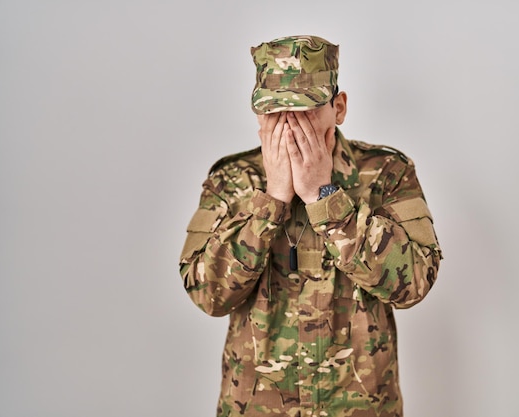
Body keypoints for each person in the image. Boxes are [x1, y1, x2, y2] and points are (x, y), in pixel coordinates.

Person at [179, 35, 442, 417]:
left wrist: (326, 198)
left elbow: (415, 283)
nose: (289, 125)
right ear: (257, 115)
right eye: (275, 110)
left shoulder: (385, 173)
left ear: (339, 107)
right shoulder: (231, 180)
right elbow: (209, 295)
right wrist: (270, 201)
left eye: (303, 109)